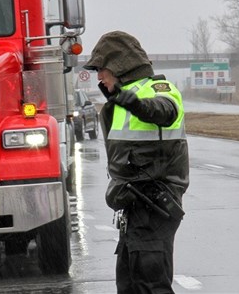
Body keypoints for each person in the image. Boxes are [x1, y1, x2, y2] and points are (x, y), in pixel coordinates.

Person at [83, 31, 189, 293]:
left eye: (102, 69)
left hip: (154, 205)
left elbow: (164, 111)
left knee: (151, 285)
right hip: (135, 205)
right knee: (130, 284)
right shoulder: (121, 100)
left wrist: (131, 101)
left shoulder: (156, 88)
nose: (98, 76)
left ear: (120, 66)